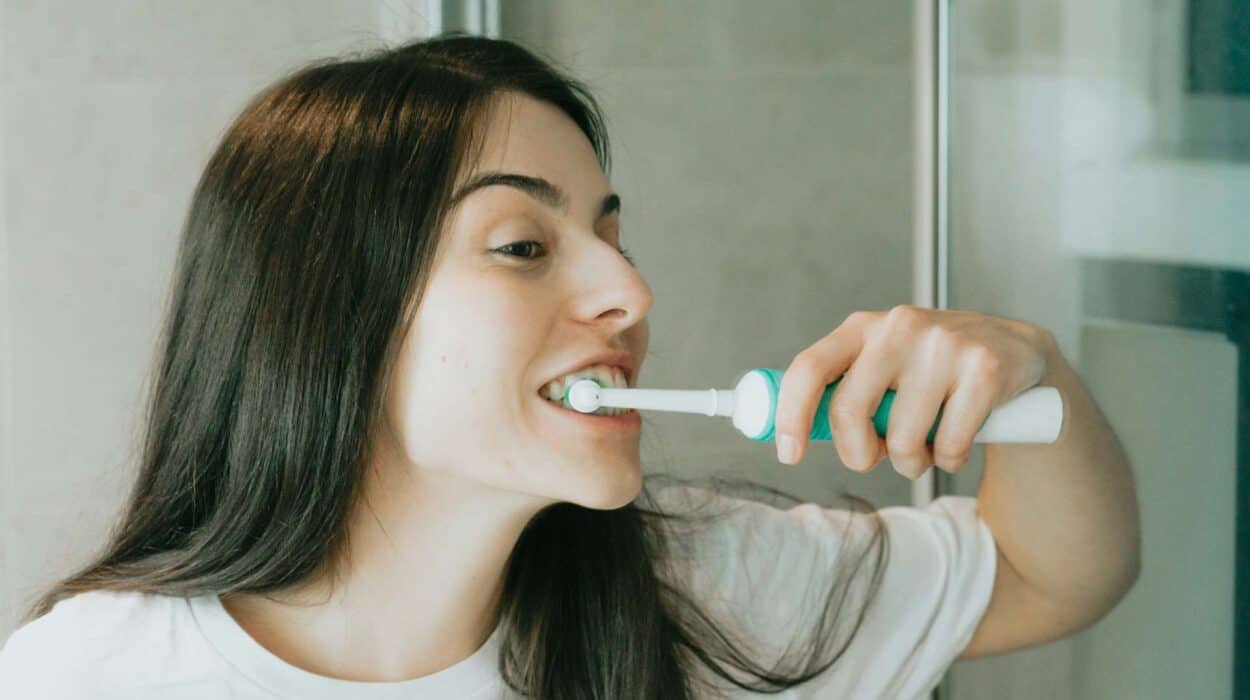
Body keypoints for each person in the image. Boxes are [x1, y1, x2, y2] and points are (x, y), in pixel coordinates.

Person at [0, 33, 1140, 699]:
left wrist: (1027, 373)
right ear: (328, 311)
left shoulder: (694, 589)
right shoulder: (89, 676)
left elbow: (1054, 574)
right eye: (523, 246)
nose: (629, 293)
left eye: (609, 231)